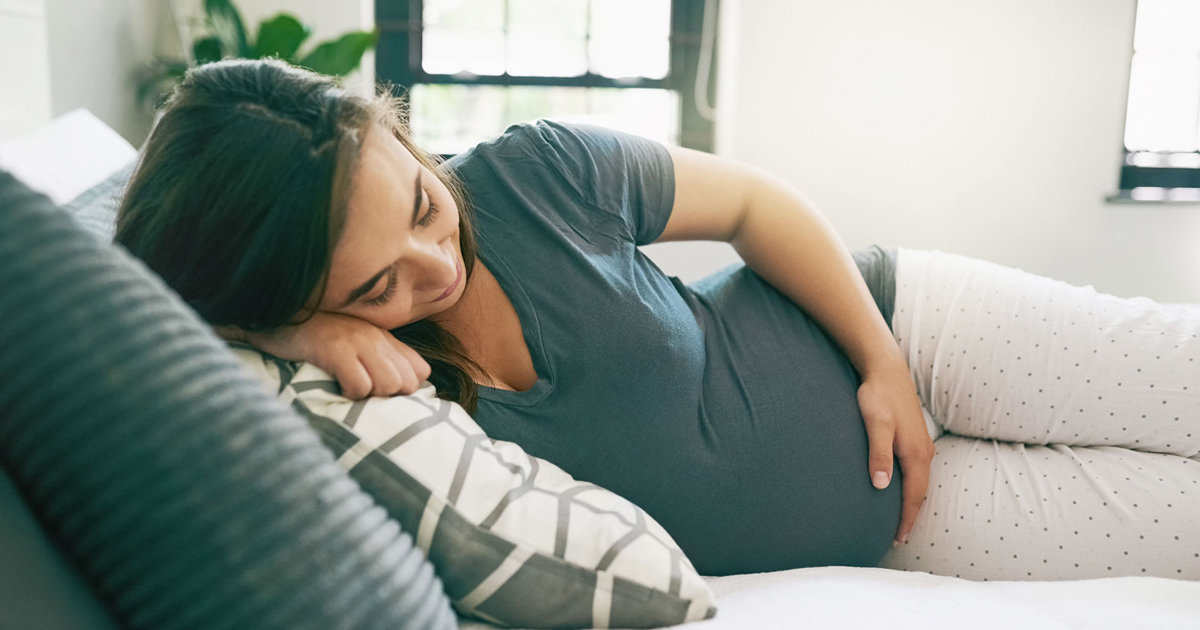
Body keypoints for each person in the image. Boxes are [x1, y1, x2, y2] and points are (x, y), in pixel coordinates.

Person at [115, 59, 1200, 581]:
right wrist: (287, 335)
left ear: (402, 136)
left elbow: (755, 204)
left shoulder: (533, 171)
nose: (430, 263)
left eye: (417, 205)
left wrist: (881, 364)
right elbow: (144, 336)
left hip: (910, 329)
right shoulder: (366, 396)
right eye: (371, 289)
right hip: (901, 518)